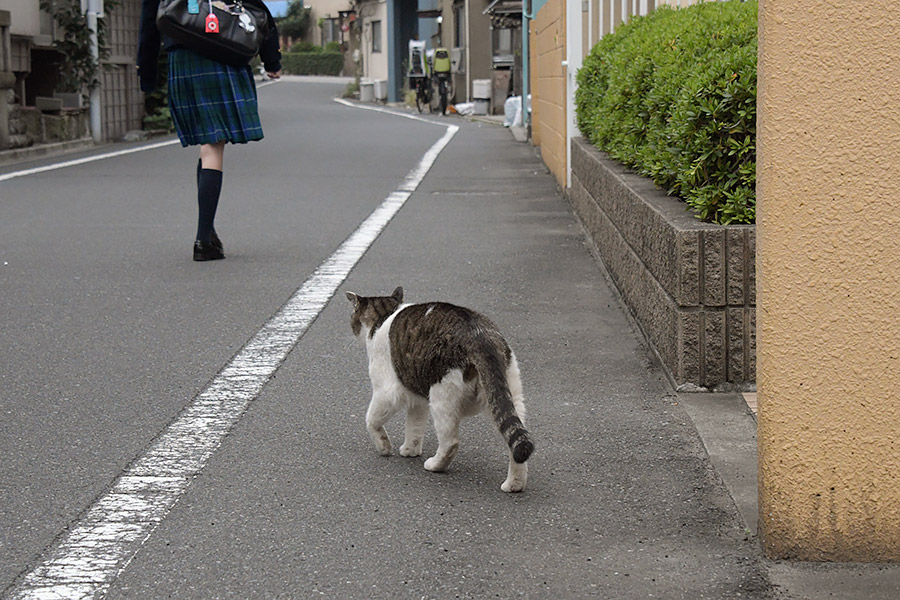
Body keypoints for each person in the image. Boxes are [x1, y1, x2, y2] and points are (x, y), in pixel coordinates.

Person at [137, 0, 282, 261]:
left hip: (183, 54)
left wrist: (146, 72)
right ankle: (203, 240)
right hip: (224, 49)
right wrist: (272, 59)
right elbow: (258, 11)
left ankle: (208, 231)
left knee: (207, 145)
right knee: (212, 146)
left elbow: (150, 19)